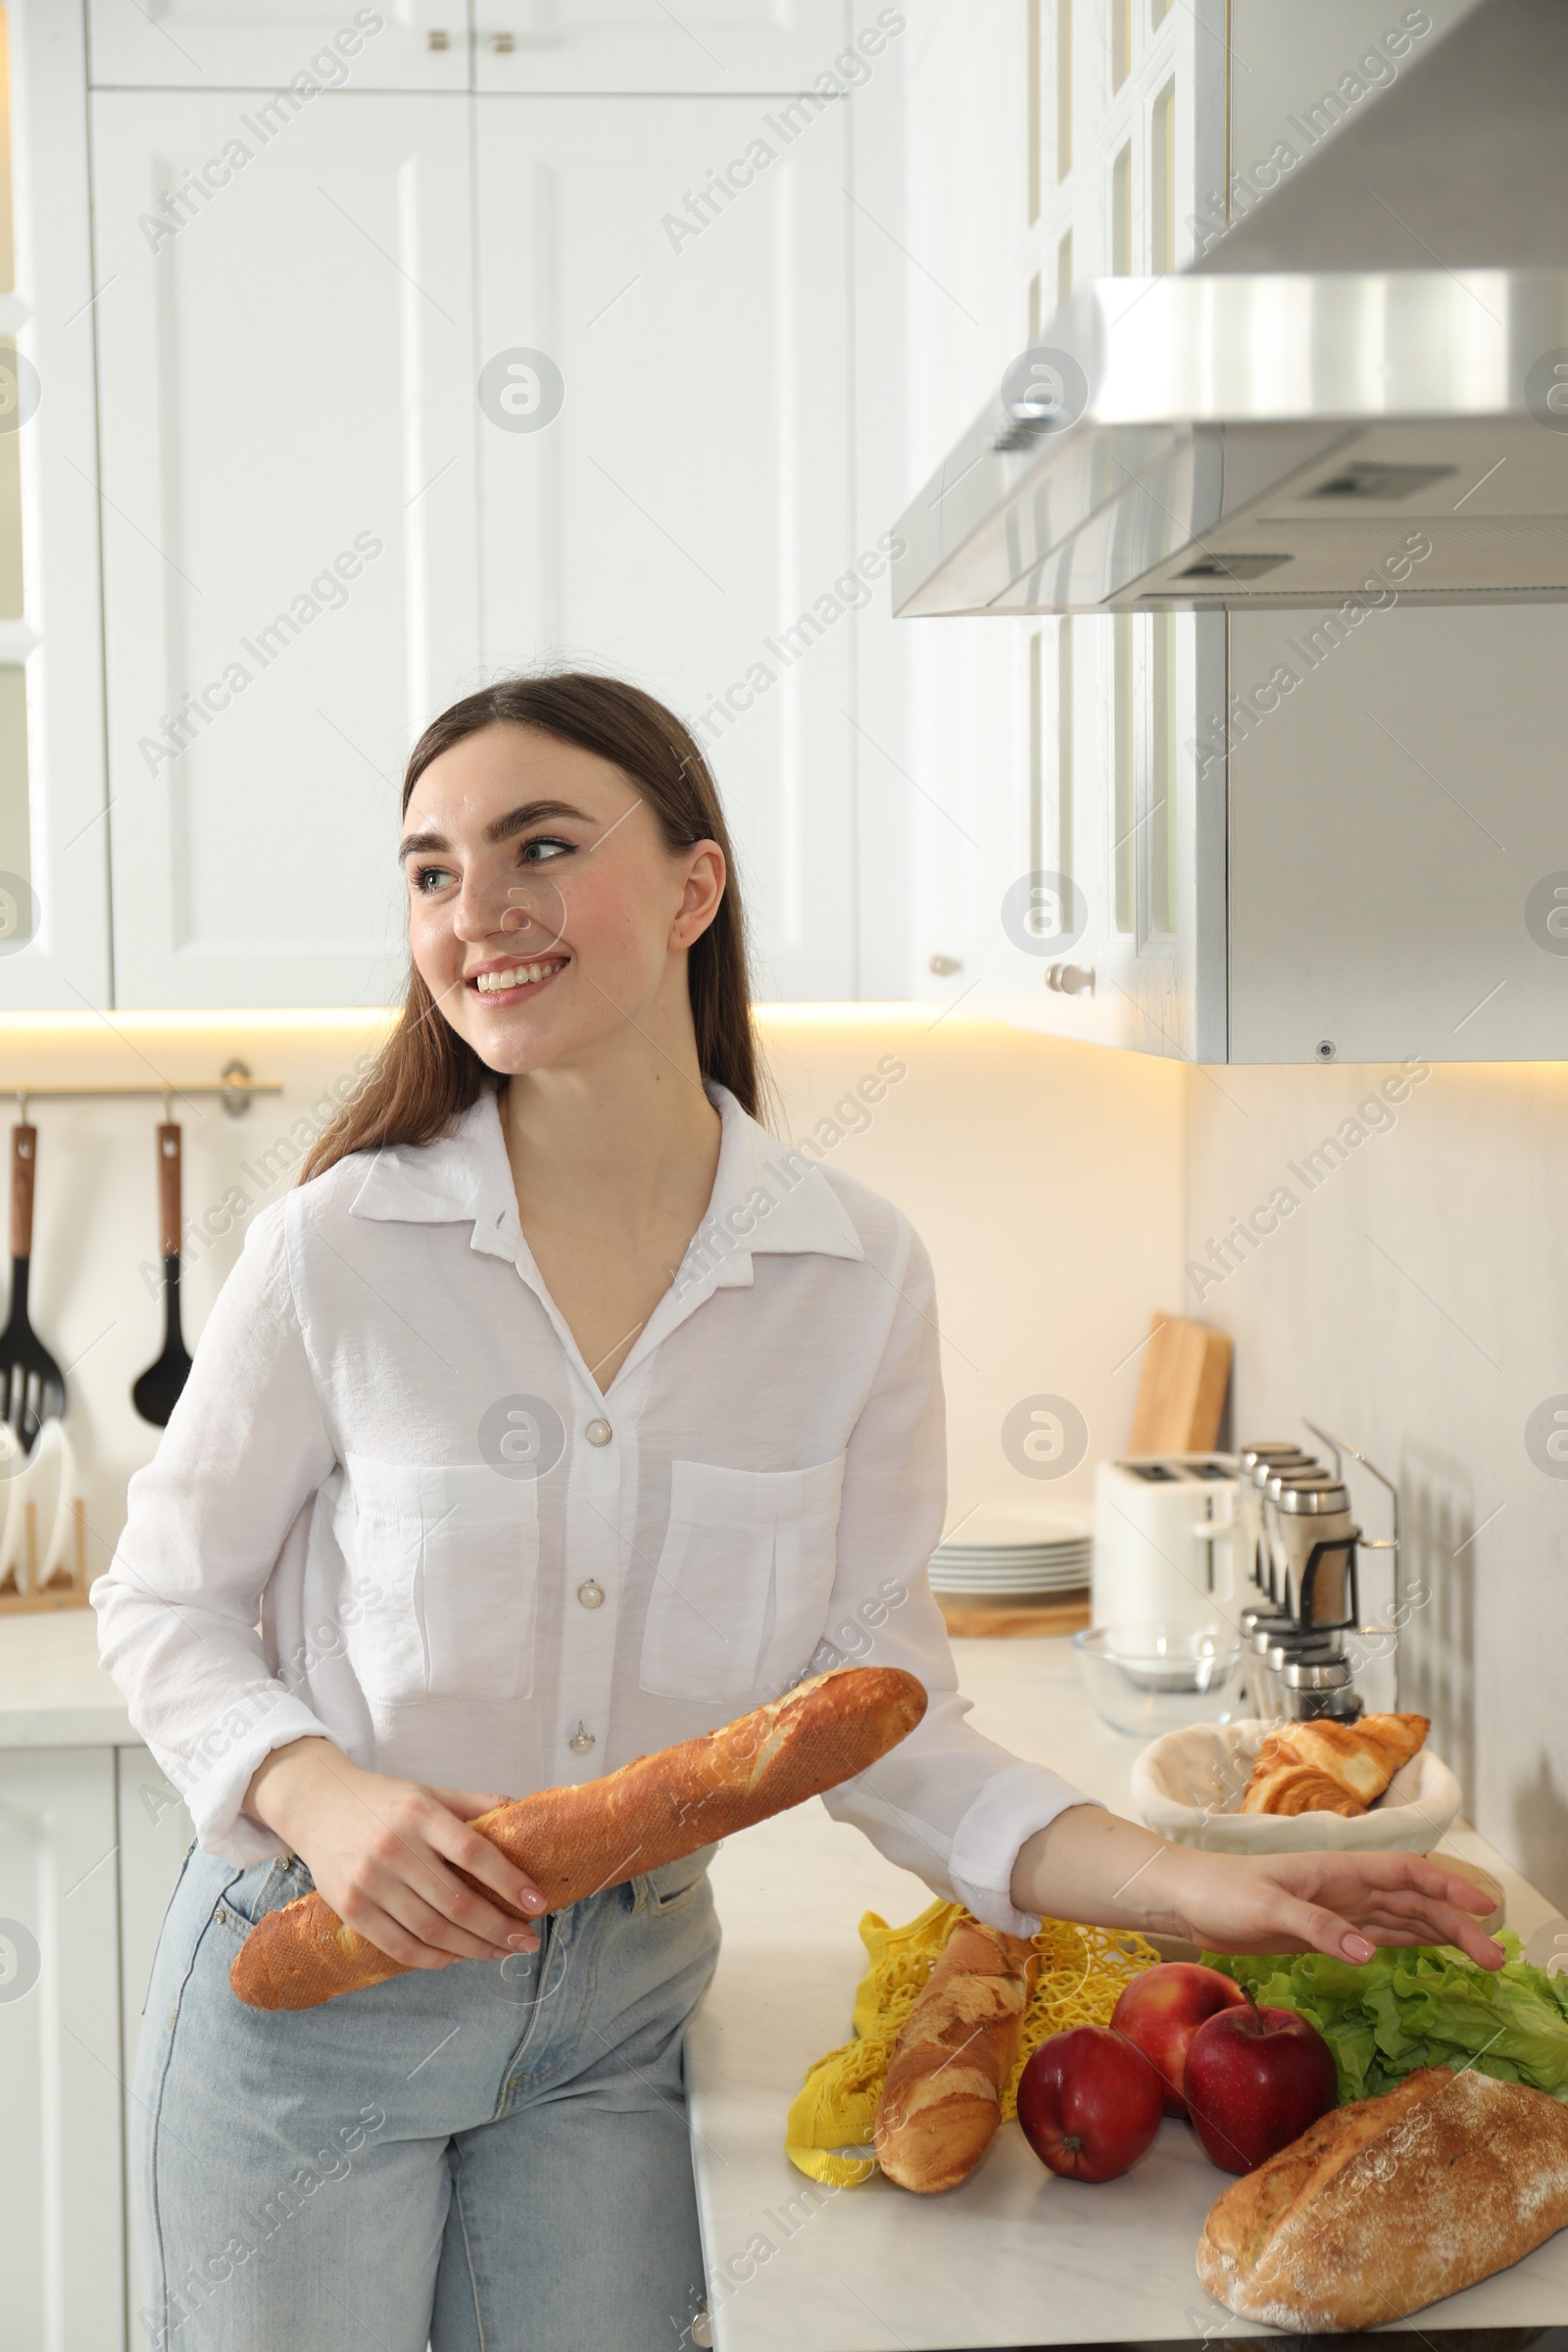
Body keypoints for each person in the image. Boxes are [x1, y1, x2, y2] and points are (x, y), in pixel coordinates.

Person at [94, 672, 1499, 2352]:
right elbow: (163, 1601)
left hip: (610, 2018)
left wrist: (1202, 1885)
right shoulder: (338, 1251)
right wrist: (319, 1794)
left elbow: (885, 1724)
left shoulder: (849, 1274)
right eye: (431, 872)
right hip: (313, 1995)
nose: (479, 914)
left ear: (696, 885)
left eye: (538, 845)